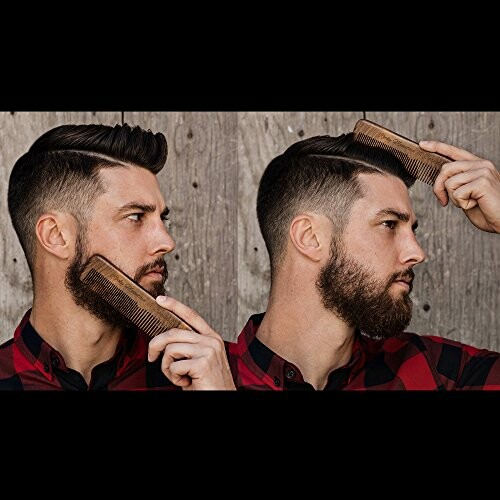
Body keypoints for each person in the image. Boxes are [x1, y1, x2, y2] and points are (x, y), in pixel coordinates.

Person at [220, 132, 500, 390]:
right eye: (389, 224)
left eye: (412, 230)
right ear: (310, 237)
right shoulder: (196, 378)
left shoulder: (433, 372)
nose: (417, 253)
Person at [0, 123, 235, 390]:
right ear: (56, 235)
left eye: (162, 219)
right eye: (135, 216)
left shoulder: (220, 373)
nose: (167, 242)